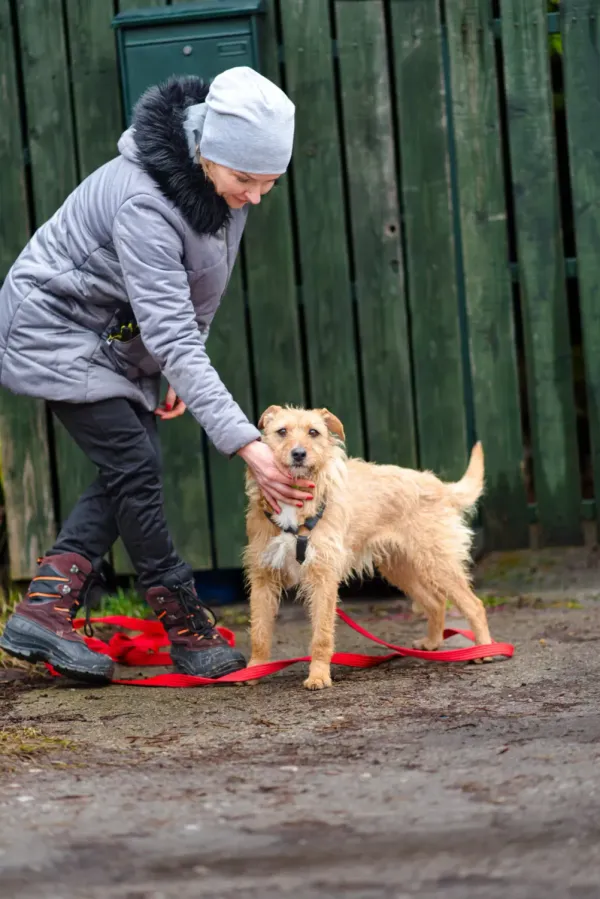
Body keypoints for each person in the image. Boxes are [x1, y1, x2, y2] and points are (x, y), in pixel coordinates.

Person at [0, 67, 314, 683]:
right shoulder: (147, 199)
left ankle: (44, 609)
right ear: (206, 153)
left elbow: (198, 289)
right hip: (53, 327)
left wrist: (179, 358)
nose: (254, 196)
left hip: (111, 334)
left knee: (130, 465)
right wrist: (250, 447)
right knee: (135, 465)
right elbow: (168, 328)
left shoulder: (224, 189)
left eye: (269, 183)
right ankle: (184, 626)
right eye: (245, 179)